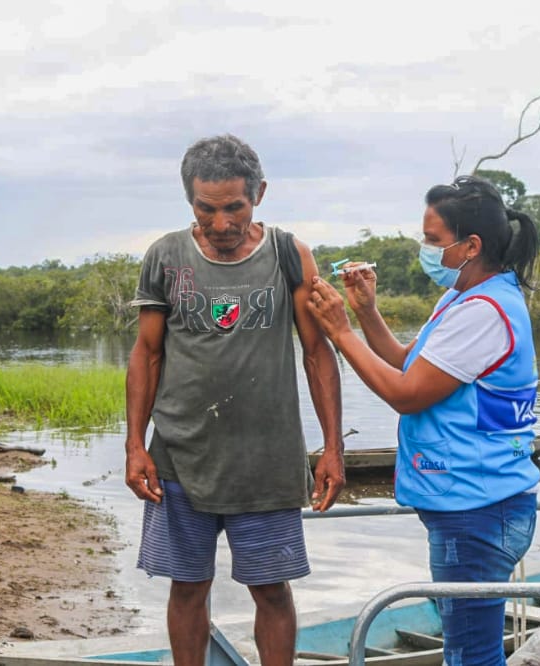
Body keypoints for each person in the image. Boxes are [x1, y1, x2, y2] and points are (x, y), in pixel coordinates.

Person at [125, 134, 345, 666]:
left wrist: (332, 447)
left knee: (271, 590)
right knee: (187, 585)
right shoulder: (166, 256)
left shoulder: (289, 254)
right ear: (189, 200)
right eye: (206, 208)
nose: (220, 224)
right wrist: (135, 444)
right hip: (179, 456)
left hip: (266, 461)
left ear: (259, 194)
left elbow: (317, 353)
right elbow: (147, 354)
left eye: (234, 208)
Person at [306, 175, 540, 666]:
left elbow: (406, 395)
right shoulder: (463, 296)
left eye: (434, 240)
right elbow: (404, 362)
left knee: (470, 656)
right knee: (468, 647)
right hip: (475, 502)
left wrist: (340, 331)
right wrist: (367, 313)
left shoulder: (486, 311)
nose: (426, 249)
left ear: (470, 245)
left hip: (480, 509)